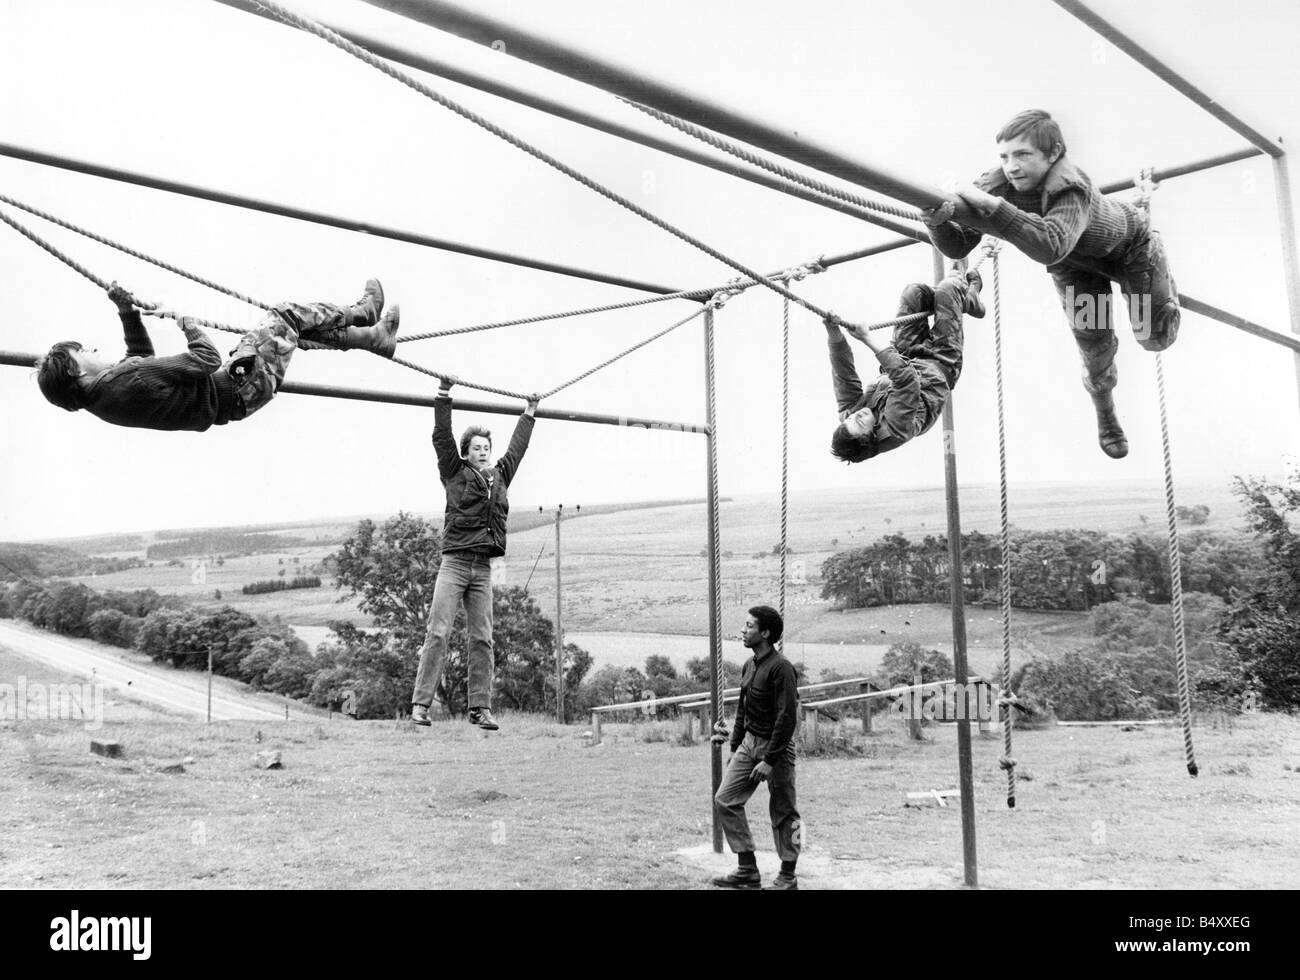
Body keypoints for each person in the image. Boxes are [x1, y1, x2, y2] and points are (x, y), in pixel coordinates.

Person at [924, 108, 1180, 459]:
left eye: (1023, 155)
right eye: (1005, 156)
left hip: (1128, 252)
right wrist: (936, 221)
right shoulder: (1000, 182)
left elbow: (1050, 245)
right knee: (1094, 347)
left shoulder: (1069, 185)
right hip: (1076, 267)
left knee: (1153, 336)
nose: (1012, 166)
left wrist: (992, 206)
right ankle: (1105, 411)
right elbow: (958, 244)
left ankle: (1153, 255)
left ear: (1054, 153)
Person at [35, 279, 399, 431]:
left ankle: (372, 338)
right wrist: (186, 322)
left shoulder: (105, 398)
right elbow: (206, 359)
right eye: (82, 351)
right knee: (285, 315)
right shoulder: (124, 382)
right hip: (239, 384)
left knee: (292, 332)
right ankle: (361, 316)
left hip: (239, 396)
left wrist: (128, 313)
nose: (94, 349)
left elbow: (138, 358)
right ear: (75, 372)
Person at [410, 376, 539, 731]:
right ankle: (421, 705)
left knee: (483, 637)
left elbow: (517, 449)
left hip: (484, 568)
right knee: (438, 631)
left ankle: (480, 708)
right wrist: (443, 395)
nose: (483, 451)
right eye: (477, 447)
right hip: (454, 564)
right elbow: (442, 437)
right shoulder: (454, 472)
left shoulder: (500, 477)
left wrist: (529, 412)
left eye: (486, 447)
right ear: (467, 451)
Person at [825, 266, 985, 463]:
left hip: (904, 355)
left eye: (850, 419)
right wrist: (867, 338)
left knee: (914, 293)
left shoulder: (851, 415)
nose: (856, 415)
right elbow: (907, 381)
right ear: (870, 437)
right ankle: (965, 296)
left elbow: (843, 374)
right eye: (859, 423)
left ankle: (962, 302)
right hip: (940, 362)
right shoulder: (897, 429)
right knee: (948, 289)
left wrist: (833, 332)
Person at [710, 605, 802, 890]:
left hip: (777, 747)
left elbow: (787, 717)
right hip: (749, 743)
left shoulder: (781, 668)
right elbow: (744, 709)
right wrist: (736, 748)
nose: (743, 630)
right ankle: (747, 869)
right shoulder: (750, 665)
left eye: (749, 626)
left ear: (765, 633)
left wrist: (770, 760)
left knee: (784, 810)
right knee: (725, 799)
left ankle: (788, 875)